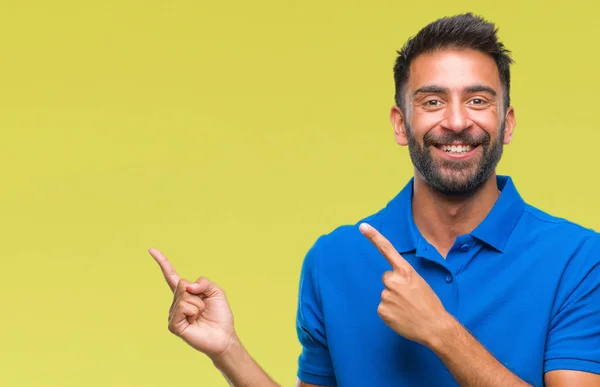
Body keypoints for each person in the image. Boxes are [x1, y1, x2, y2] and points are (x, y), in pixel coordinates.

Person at [149, 13, 600, 387]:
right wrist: (228, 350)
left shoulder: (579, 260)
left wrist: (440, 331)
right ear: (401, 124)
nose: (457, 121)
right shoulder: (334, 259)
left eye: (478, 100)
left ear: (507, 123)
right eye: (432, 101)